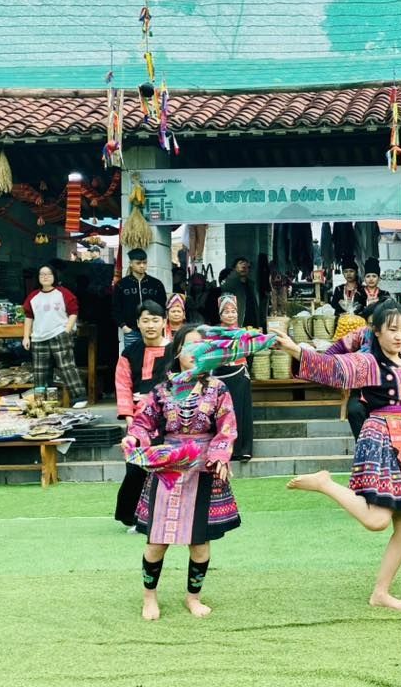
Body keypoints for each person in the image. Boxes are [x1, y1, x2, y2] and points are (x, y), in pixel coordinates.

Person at [270, 300, 401, 611]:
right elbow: (334, 368)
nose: (399, 336)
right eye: (392, 330)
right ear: (377, 332)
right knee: (377, 520)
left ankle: (380, 592)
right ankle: (324, 483)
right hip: (383, 437)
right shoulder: (367, 362)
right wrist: (296, 350)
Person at [122, 324, 240, 620]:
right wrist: (133, 438)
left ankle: (193, 597)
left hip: (203, 470)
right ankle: (149, 597)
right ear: (177, 352)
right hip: (168, 470)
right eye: (189, 345)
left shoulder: (218, 389)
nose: (195, 352)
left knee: (199, 543)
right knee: (156, 542)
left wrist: (219, 456)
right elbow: (143, 423)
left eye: (202, 346)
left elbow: (226, 427)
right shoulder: (162, 390)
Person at [114, 301, 173, 530]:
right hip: (139, 419)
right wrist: (130, 420)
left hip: (169, 418)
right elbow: (123, 385)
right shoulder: (129, 353)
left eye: (155, 320)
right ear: (138, 323)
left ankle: (165, 515)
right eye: (145, 320)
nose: (150, 325)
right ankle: (132, 516)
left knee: (166, 467)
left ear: (164, 322)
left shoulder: (175, 351)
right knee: (135, 468)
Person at [22, 264, 89, 409]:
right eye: (42, 274)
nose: (45, 277)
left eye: (48, 274)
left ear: (54, 276)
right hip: (39, 337)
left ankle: (79, 397)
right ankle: (40, 402)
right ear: (38, 278)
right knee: (39, 371)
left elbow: (73, 312)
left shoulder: (63, 293)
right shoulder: (33, 296)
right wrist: (26, 337)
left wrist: (67, 330)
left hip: (59, 334)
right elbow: (28, 317)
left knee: (66, 366)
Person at [213, 294, 254, 462]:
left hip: (240, 375)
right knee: (223, 413)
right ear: (220, 314)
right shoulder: (214, 334)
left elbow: (250, 353)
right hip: (221, 376)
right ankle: (224, 449)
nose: (230, 315)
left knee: (241, 411)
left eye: (233, 311)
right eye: (226, 311)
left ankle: (243, 449)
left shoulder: (244, 333)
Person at [113, 248, 167, 351]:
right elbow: (115, 308)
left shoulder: (156, 284)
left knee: (153, 357)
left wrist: (160, 325)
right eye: (138, 263)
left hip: (153, 329)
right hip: (131, 331)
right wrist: (124, 326)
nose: (142, 266)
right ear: (131, 264)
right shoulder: (121, 285)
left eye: (144, 263)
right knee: (133, 358)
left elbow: (163, 307)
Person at [221, 257, 261, 328]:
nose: (244, 267)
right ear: (234, 268)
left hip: (253, 322)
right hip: (239, 321)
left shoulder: (252, 284)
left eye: (246, 266)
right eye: (241, 264)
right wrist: (235, 272)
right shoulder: (231, 283)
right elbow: (225, 288)